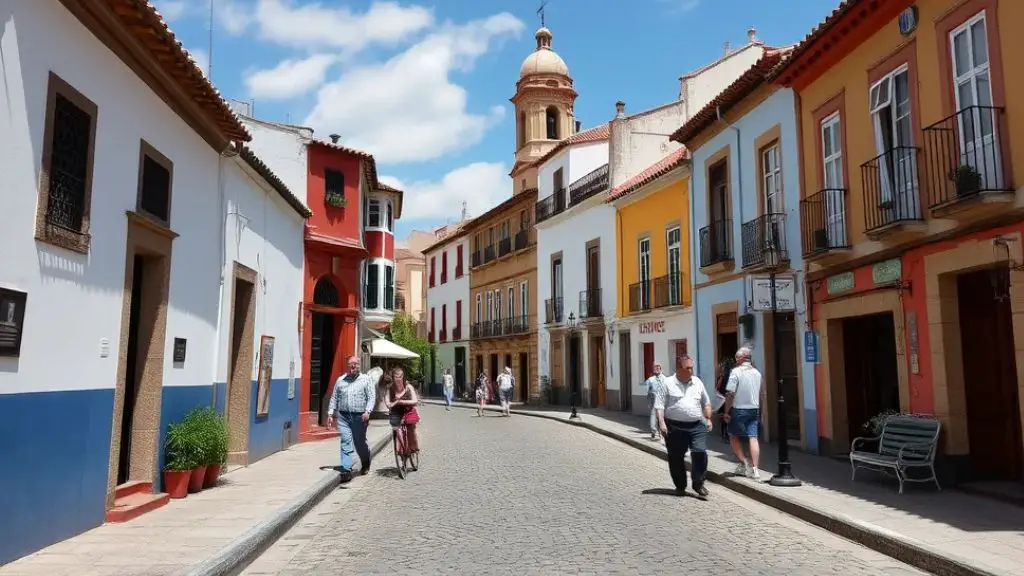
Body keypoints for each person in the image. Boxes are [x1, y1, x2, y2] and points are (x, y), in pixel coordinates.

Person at [654, 354, 713, 500]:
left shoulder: (697, 382)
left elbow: (706, 402)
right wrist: (661, 422)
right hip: (674, 426)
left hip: (696, 425)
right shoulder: (667, 383)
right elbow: (659, 405)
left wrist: (708, 418)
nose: (691, 370)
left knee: (700, 452)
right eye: (688, 368)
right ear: (679, 368)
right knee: (676, 457)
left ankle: (698, 483)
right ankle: (680, 486)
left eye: (692, 367)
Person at [327, 356, 376, 482]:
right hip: (343, 416)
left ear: (360, 365)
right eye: (350, 364)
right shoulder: (340, 380)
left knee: (359, 443)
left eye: (356, 364)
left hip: (359, 416)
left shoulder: (366, 379)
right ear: (347, 365)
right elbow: (334, 397)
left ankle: (365, 461)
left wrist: (368, 411)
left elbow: (371, 397)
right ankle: (346, 470)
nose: (353, 366)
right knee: (345, 441)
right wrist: (330, 413)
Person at [723, 346, 764, 480]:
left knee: (733, 435)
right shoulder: (757, 373)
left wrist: (726, 412)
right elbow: (761, 394)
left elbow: (730, 393)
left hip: (739, 409)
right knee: (753, 437)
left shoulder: (735, 372)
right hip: (754, 409)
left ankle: (743, 463)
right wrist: (761, 411)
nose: (735, 360)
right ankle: (755, 469)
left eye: (736, 358)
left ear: (740, 358)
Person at [383, 367, 420, 453]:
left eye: (400, 376)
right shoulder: (389, 389)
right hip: (396, 411)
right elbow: (388, 404)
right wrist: (396, 403)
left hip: (408, 410)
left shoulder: (409, 387)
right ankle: (400, 450)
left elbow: (415, 400)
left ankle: (414, 446)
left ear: (403, 376)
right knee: (397, 429)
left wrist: (401, 401)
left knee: (411, 428)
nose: (399, 379)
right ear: (393, 377)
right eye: (396, 377)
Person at [644, 363, 666, 440]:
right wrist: (649, 400)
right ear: (653, 370)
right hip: (653, 398)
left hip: (662, 399)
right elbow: (647, 390)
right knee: (653, 414)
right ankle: (654, 431)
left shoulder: (665, 378)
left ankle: (661, 431)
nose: (657, 369)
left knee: (661, 415)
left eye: (658, 368)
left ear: (661, 369)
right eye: (655, 368)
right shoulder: (650, 380)